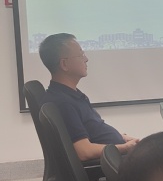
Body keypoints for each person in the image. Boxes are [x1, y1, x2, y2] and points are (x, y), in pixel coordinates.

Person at [39, 33, 138, 161]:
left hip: (116, 155)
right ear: (64, 64)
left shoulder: (70, 95)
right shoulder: (63, 103)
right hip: (111, 163)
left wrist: (122, 138)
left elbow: (93, 128)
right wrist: (125, 147)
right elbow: (84, 151)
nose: (86, 59)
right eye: (81, 55)